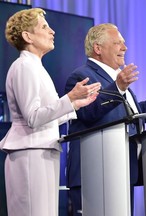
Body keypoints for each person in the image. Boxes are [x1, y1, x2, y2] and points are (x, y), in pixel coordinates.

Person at [64, 23, 146, 215]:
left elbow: (136, 114)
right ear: (98, 48)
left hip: (122, 171)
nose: (124, 48)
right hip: (93, 174)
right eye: (118, 43)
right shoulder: (81, 76)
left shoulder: (117, 79)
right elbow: (87, 112)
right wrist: (117, 88)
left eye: (124, 43)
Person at [0, 8, 101, 216]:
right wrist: (70, 99)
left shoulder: (36, 66)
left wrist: (75, 105)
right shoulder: (24, 66)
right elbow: (33, 117)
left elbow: (47, 115)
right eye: (44, 27)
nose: (52, 31)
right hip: (29, 153)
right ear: (27, 36)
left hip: (42, 150)